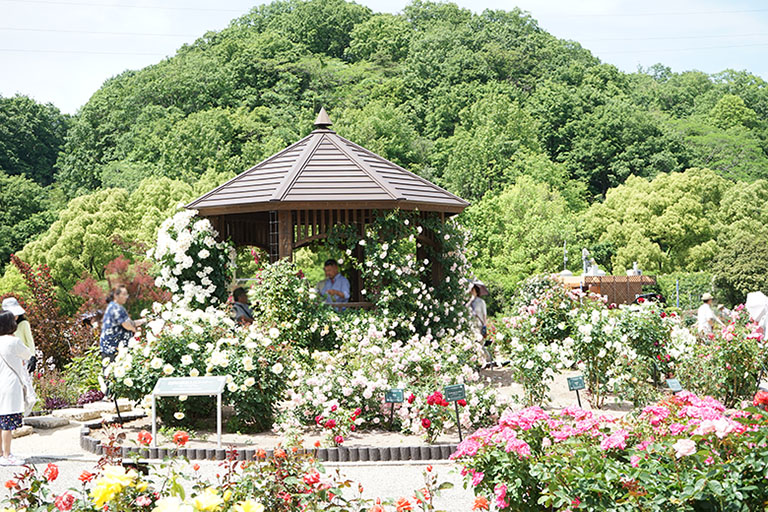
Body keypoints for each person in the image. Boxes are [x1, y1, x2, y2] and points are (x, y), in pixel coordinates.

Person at [0, 310, 32, 466]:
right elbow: (27, 354)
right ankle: (7, 455)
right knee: (7, 422)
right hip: (10, 385)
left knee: (0, 421)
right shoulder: (13, 341)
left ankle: (1, 453)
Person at [99, 286, 145, 362]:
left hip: (113, 349)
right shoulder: (116, 308)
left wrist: (144, 321)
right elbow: (127, 325)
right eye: (124, 294)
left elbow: (131, 323)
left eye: (127, 295)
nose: (126, 297)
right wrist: (135, 331)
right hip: (113, 349)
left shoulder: (114, 306)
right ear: (116, 296)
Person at [1, 297, 36, 372]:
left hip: (23, 354)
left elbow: (29, 340)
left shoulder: (24, 324)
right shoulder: (4, 326)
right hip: (9, 356)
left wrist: (32, 356)